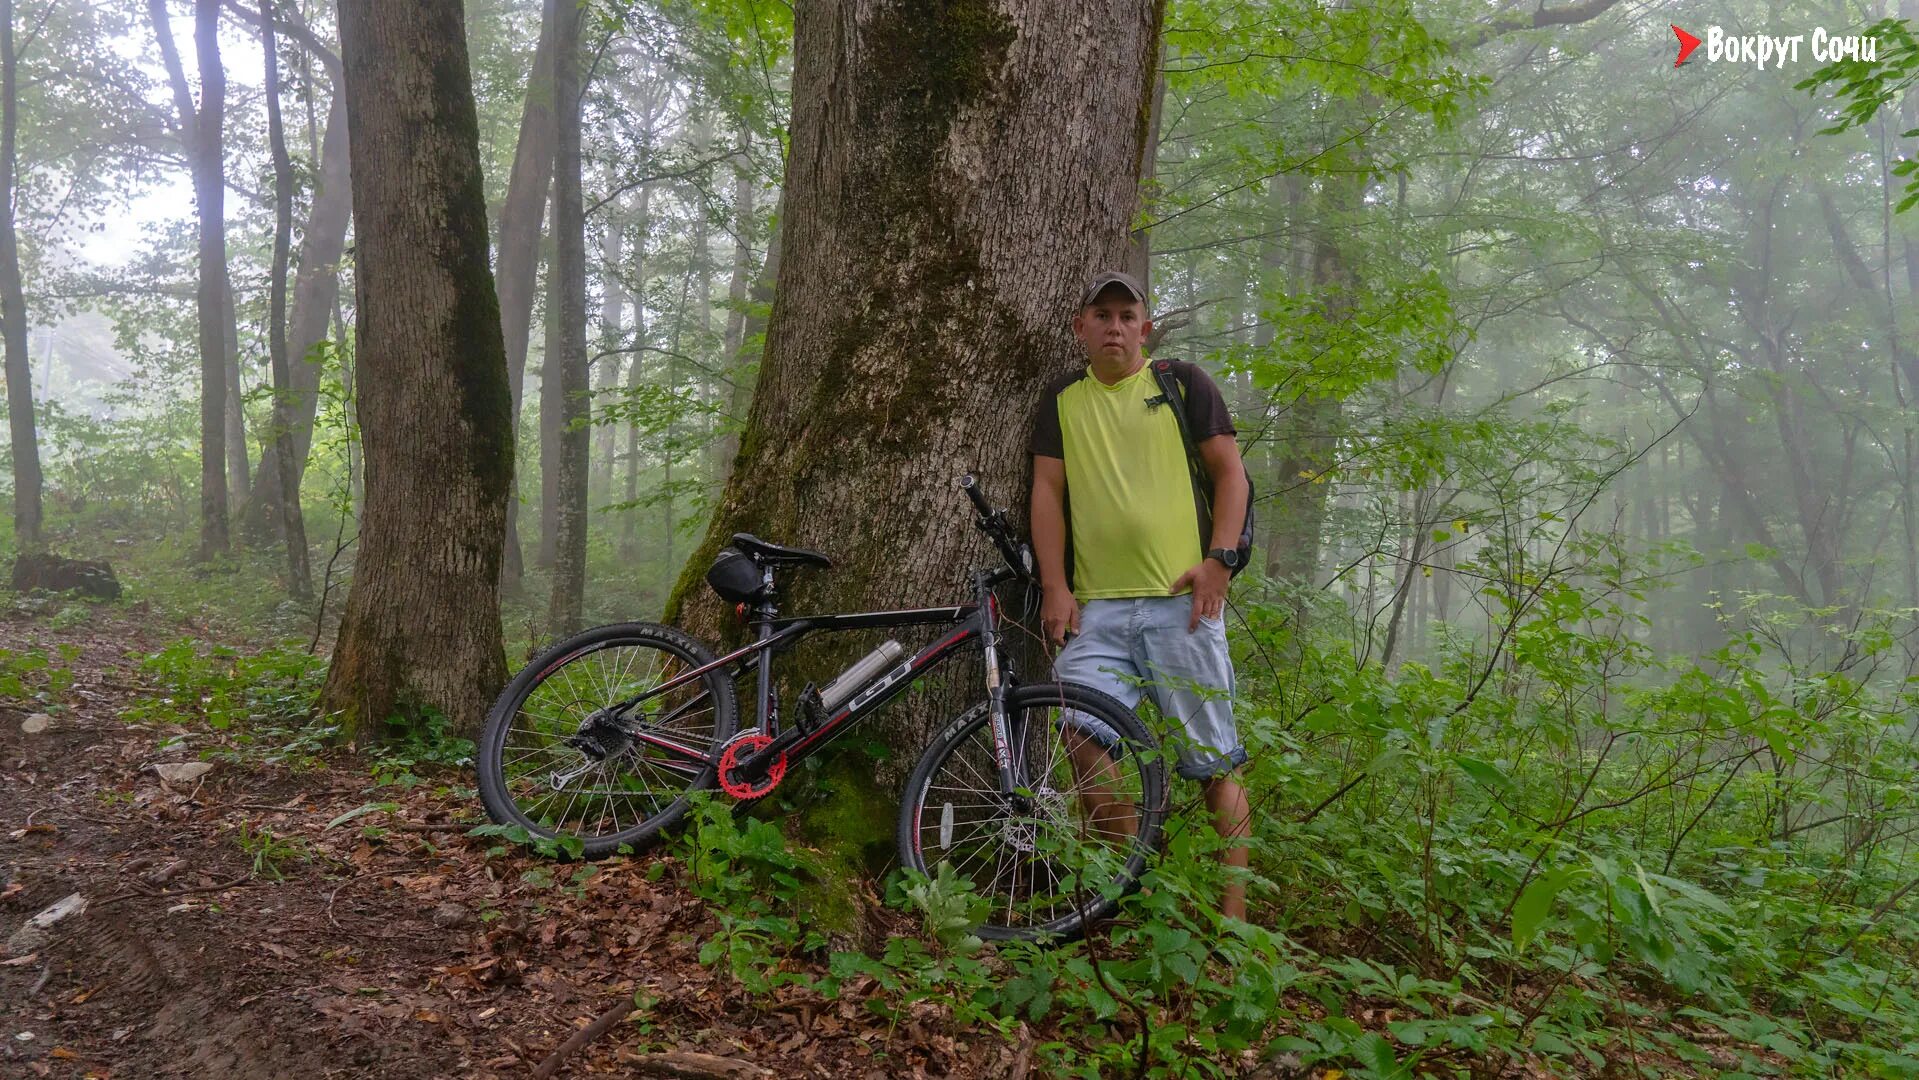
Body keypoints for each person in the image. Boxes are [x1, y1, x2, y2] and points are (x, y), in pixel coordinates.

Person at [1028, 269, 1254, 922]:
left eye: (1126, 315)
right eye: (1100, 315)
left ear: (1144, 328)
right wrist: (1054, 585)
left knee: (1213, 765)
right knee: (1077, 733)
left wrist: (1220, 561)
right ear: (1080, 328)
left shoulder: (1180, 383)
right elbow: (1048, 492)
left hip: (1181, 608)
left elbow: (1229, 474)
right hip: (1096, 610)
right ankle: (1120, 888)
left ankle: (1234, 925)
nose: (1114, 326)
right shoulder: (1063, 399)